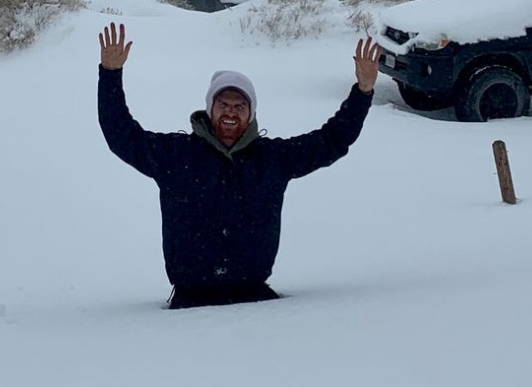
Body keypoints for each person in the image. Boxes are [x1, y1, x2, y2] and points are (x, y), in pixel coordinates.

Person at [97, 22, 382, 309]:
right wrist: (111, 75)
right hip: (189, 305)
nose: (230, 112)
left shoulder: (272, 159)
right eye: (223, 104)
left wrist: (363, 92)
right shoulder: (176, 155)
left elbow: (332, 140)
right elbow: (122, 135)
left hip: (256, 300)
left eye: (239, 106)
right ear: (210, 110)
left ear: (250, 114)